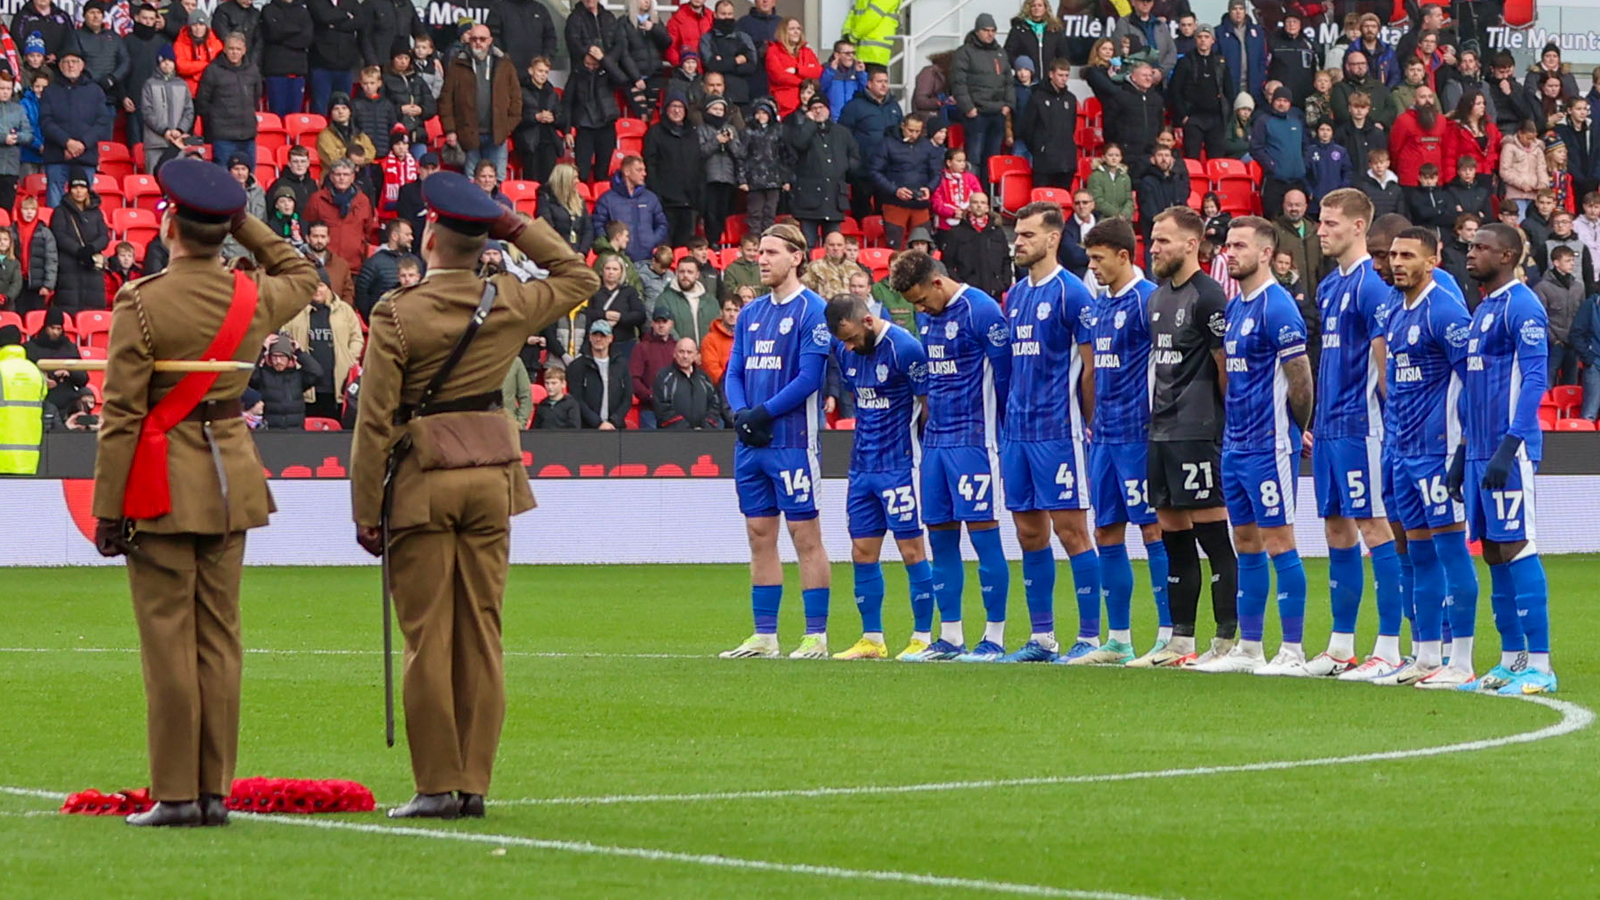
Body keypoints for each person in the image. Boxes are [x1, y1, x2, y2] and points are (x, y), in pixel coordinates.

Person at [348, 171, 597, 818]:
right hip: (492, 477)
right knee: (483, 632)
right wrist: (515, 225)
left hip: (423, 482)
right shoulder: (509, 298)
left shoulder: (397, 312)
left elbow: (374, 422)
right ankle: (475, 784)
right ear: (481, 242)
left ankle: (436, 784)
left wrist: (365, 509)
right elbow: (579, 278)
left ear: (429, 237)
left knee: (430, 637)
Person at [90, 159, 318, 827]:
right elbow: (304, 274)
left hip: (162, 484)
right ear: (223, 230)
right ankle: (214, 790)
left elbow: (123, 414)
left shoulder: (141, 299)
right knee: (220, 641)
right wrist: (243, 221)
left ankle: (177, 794)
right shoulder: (251, 294)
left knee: (168, 642)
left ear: (167, 224)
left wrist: (109, 507)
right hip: (229, 479)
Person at [1279, 187, 1402, 677]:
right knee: (1335, 530)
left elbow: (1383, 360)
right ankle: (1340, 646)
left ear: (1357, 228)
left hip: (1361, 426)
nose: (1321, 231)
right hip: (1329, 429)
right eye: (1320, 221)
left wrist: (1391, 417)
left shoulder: (1374, 286)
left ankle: (1390, 647)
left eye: (1330, 224)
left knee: (1374, 527)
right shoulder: (1330, 287)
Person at [1186, 216, 1313, 674]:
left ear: (1265, 253)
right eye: (1228, 245)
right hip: (1236, 443)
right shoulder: (1237, 308)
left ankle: (1293, 650)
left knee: (1279, 540)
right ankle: (1251, 647)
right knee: (1245, 542)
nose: (1230, 252)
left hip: (1269, 443)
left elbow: (1300, 381)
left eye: (1240, 245)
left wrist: (1296, 430)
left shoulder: (1277, 307)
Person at [1429, 222, 1552, 693]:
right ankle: (1511, 659)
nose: (1470, 253)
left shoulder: (1522, 305)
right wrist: (1463, 453)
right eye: (1470, 245)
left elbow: (1536, 381)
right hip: (1479, 450)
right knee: (1495, 552)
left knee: (1519, 545)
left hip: (1508, 450)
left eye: (1481, 247)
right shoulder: (1482, 310)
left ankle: (1540, 662)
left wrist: (1511, 445)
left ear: (1507, 257)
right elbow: (1475, 390)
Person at [979, 201, 1098, 664]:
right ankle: (1042, 638)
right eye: (1017, 234)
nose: (1018, 242)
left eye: (1027, 235)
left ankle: (1089, 637)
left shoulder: (1073, 295)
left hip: (1058, 432)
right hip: (1018, 435)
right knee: (1030, 534)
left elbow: (1090, 371)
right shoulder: (1018, 294)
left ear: (1052, 239)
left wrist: (1086, 422)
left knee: (1072, 532)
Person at [1126, 206, 1238, 668]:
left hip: (1198, 432)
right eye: (1152, 241)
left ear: (1192, 245)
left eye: (1163, 241)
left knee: (1214, 540)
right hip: (1162, 432)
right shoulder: (1155, 300)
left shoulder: (1209, 297)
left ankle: (1228, 640)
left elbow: (1224, 367)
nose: (1153, 249)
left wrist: (1223, 429)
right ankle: (1179, 641)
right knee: (1172, 537)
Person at [886, 248, 1010, 661]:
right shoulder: (927, 316)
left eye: (921, 299)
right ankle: (951, 637)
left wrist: (1005, 436)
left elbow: (1006, 379)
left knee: (984, 536)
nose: (920, 309)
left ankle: (994, 637)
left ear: (938, 282)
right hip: (935, 445)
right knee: (940, 538)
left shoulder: (982, 311)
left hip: (974, 441)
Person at [718, 222, 832, 660]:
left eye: (771, 252)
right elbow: (734, 372)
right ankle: (765, 635)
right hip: (752, 443)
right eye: (759, 252)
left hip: (792, 442)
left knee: (805, 536)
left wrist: (763, 413)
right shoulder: (750, 313)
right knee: (758, 534)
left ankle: (815, 636)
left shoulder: (812, 310)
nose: (761, 260)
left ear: (796, 257)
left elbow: (809, 378)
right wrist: (742, 414)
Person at [1069, 217, 1171, 663]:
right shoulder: (1097, 307)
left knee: (1153, 527)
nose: (1092, 267)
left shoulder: (1150, 300)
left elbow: (1169, 369)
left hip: (1140, 435)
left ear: (1125, 256)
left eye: (1098, 258)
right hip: (1104, 437)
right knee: (1106, 530)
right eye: (1089, 258)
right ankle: (1120, 638)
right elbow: (1091, 372)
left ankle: (1170, 634)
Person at [816, 293, 931, 658]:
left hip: (898, 465)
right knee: (862, 550)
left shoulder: (905, 349)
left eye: (849, 337)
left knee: (912, 550)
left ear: (866, 321)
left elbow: (928, 405)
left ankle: (923, 638)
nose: (847, 346)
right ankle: (873, 639)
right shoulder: (847, 352)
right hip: (861, 467)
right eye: (841, 341)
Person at [440, 24, 520, 182]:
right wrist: (450, 130)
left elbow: (516, 98)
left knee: (496, 182)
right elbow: (446, 100)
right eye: (474, 39)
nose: (478, 43)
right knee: (472, 182)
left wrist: (507, 127)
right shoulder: (457, 64)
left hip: (497, 136)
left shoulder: (504, 63)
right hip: (468, 135)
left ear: (490, 40)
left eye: (482, 39)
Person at [39, 49, 111, 208]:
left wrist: (82, 144)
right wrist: (67, 143)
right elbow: (45, 122)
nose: (70, 66)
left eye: (75, 62)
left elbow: (102, 121)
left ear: (83, 65)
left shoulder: (95, 91)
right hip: (57, 156)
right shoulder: (50, 91)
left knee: (84, 207)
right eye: (66, 62)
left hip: (86, 156)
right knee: (54, 205)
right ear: (60, 65)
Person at [787, 96, 858, 248]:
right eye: (814, 108)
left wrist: (842, 166)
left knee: (833, 246)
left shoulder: (842, 132)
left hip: (834, 198)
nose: (818, 111)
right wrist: (810, 124)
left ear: (828, 109)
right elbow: (798, 144)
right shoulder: (803, 129)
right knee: (807, 246)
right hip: (808, 200)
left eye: (821, 107)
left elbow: (855, 157)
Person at [951, 13, 1013, 181]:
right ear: (977, 31)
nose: (990, 34)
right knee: (974, 158)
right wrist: (969, 108)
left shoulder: (1000, 53)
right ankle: (973, 195)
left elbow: (1008, 81)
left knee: (992, 160)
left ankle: (988, 198)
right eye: (986, 30)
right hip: (976, 114)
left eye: (993, 30)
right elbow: (958, 83)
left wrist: (1008, 105)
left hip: (998, 113)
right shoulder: (964, 52)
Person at [838, 66, 901, 222]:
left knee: (885, 214)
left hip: (887, 170)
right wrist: (852, 163)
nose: (884, 85)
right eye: (879, 81)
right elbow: (843, 136)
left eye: (886, 81)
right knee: (862, 213)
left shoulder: (894, 106)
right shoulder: (854, 106)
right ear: (869, 84)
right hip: (862, 169)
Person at [870, 113, 939, 250]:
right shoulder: (887, 143)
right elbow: (874, 172)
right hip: (894, 202)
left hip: (920, 202)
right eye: (910, 130)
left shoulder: (927, 146)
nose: (914, 134)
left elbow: (936, 172)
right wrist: (894, 190)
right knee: (894, 245)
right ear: (903, 127)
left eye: (918, 131)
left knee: (922, 244)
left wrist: (929, 188)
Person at [1169, 24, 1233, 160]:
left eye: (1206, 37)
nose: (1203, 40)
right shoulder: (1185, 62)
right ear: (1195, 39)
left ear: (1213, 40)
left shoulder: (1220, 62)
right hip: (1193, 118)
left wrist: (1226, 115)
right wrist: (1184, 116)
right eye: (1199, 37)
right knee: (1191, 159)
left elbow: (1229, 90)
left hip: (1216, 119)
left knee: (1216, 161)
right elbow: (1175, 91)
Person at [49, 170, 109, 313]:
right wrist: (79, 251)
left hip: (91, 267)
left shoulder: (96, 212)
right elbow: (59, 235)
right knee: (69, 308)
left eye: (82, 188)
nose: (79, 191)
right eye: (75, 188)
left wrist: (91, 248)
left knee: (92, 311)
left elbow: (104, 236)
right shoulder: (61, 211)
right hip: (69, 267)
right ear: (70, 190)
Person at [196, 32, 259, 168]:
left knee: (249, 180)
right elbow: (202, 102)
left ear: (244, 50)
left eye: (238, 49)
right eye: (231, 49)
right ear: (224, 49)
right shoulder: (212, 70)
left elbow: (256, 97)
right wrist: (215, 120)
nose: (234, 52)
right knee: (223, 181)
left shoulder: (253, 70)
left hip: (248, 136)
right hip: (223, 137)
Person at [304, 161, 374, 273]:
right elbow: (308, 226)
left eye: (345, 174)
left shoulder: (363, 201)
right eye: (338, 174)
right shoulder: (317, 199)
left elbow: (368, 229)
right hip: (324, 266)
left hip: (354, 266)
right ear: (331, 177)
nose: (341, 178)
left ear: (352, 177)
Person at [940, 191, 1008, 300]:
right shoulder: (956, 233)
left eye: (983, 203)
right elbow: (948, 264)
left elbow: (1006, 260)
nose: (979, 206)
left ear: (987, 208)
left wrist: (1004, 284)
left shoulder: (997, 232)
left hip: (995, 292)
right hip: (967, 293)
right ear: (969, 207)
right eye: (975, 202)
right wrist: (960, 285)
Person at [651, 335, 728, 429]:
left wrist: (705, 427)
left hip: (703, 436)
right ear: (674, 353)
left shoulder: (704, 378)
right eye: (681, 352)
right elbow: (662, 408)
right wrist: (687, 429)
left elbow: (714, 404)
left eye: (689, 352)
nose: (685, 356)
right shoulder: (663, 377)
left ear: (696, 355)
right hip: (672, 436)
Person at [250, 332, 323, 427]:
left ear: (289, 358)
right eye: (274, 356)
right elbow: (247, 374)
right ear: (269, 357)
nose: (278, 361)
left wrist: (299, 352)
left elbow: (317, 373)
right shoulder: (263, 375)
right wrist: (262, 349)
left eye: (282, 356)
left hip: (296, 431)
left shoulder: (298, 376)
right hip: (270, 431)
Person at [1537, 244, 1585, 387]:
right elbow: (1540, 317)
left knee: (1571, 385)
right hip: (1553, 344)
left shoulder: (1578, 287)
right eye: (1568, 260)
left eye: (1572, 260)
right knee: (1547, 382)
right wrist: (1553, 340)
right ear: (1556, 263)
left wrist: (1578, 337)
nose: (1572, 264)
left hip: (1573, 343)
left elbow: (1581, 315)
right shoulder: (1543, 287)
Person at [260, 0, 313, 119]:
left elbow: (307, 39)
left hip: (297, 70)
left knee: (295, 116)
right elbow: (273, 33)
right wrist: (296, 30)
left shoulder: (303, 11)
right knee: (277, 115)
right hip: (276, 69)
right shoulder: (269, 9)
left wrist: (283, 36)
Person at [306, 0, 359, 115]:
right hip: (321, 64)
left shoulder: (352, 2)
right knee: (320, 108)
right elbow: (323, 17)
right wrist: (346, 15)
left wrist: (333, 24)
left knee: (344, 108)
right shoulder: (316, 2)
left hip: (345, 64)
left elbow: (359, 21)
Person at [628, 308, 676, 427]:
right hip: (649, 410)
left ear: (671, 324)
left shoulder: (677, 348)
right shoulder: (641, 348)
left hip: (675, 410)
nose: (661, 325)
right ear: (652, 324)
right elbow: (633, 378)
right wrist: (650, 395)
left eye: (664, 322)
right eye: (657, 322)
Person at [764, 16, 820, 118]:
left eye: (798, 29)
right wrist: (805, 81)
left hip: (807, 103)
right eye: (792, 29)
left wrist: (797, 70)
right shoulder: (773, 51)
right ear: (783, 31)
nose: (796, 32)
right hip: (785, 106)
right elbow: (779, 76)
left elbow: (818, 71)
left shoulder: (807, 51)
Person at [1136, 145, 1190, 241]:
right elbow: (1149, 211)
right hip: (1154, 234)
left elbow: (1182, 205)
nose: (1164, 159)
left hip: (1176, 232)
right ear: (1153, 159)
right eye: (1160, 155)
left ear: (1172, 160)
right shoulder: (1146, 181)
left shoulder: (1177, 180)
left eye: (1167, 155)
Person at [532, 365, 581, 429]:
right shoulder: (542, 405)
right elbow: (535, 429)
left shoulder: (571, 404)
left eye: (554, 383)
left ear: (563, 384)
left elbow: (574, 428)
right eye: (547, 383)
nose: (550, 387)